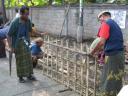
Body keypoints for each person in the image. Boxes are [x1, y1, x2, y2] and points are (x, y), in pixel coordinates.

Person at [90, 11, 125, 96]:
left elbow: (101, 42)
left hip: (112, 56)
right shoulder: (115, 25)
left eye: (100, 19)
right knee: (117, 78)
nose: (100, 22)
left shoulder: (106, 23)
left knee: (108, 79)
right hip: (120, 55)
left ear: (103, 16)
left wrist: (92, 52)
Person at [8, 6, 36, 83]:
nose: (27, 16)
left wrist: (39, 33)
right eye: (26, 14)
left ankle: (29, 75)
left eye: (28, 14)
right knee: (20, 60)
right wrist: (10, 47)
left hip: (26, 41)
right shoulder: (15, 22)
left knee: (28, 59)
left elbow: (31, 30)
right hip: (17, 43)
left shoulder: (28, 21)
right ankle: (20, 77)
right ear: (21, 13)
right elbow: (8, 34)